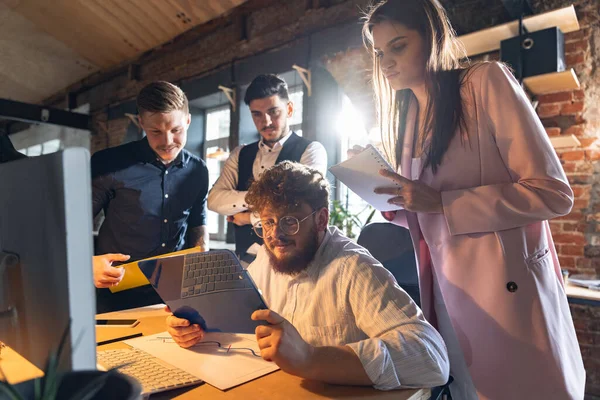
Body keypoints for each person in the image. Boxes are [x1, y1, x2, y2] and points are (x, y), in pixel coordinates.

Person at [358, 0, 585, 398]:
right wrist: (398, 203)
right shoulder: (409, 115)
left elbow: (552, 193)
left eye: (397, 46)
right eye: (379, 53)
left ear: (432, 39)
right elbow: (429, 215)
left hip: (505, 295)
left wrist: (442, 204)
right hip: (446, 299)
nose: (385, 63)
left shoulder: (484, 82)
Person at [167, 162, 449, 390]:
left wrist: (311, 358)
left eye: (289, 221)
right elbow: (238, 318)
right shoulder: (268, 258)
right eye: (267, 222)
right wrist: (197, 328)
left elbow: (433, 359)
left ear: (321, 219)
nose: (275, 235)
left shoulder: (354, 268)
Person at [92, 81, 210, 311]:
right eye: (156, 132)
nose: (167, 142)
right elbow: (72, 224)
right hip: (116, 290)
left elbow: (197, 220)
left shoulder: (198, 170)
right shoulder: (108, 163)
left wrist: (201, 259)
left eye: (176, 130)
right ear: (141, 122)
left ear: (188, 120)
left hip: (174, 292)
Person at [207, 74, 327, 261]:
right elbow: (214, 201)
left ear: (289, 109)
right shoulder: (240, 154)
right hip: (246, 261)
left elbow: (300, 207)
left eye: (273, 111)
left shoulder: (311, 150)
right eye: (257, 114)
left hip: (292, 261)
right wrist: (260, 198)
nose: (266, 121)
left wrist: (247, 218)